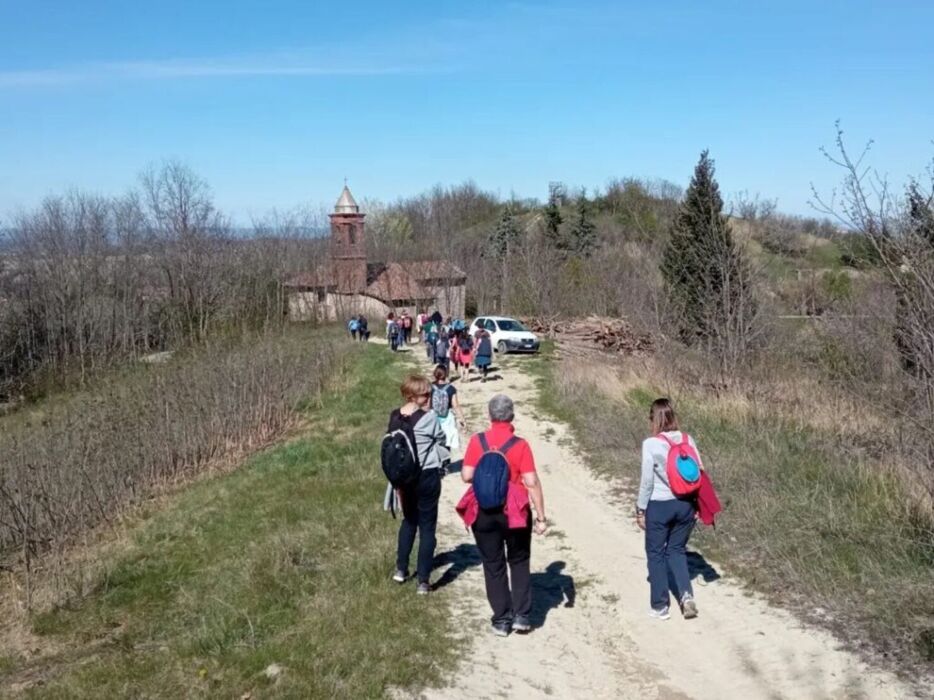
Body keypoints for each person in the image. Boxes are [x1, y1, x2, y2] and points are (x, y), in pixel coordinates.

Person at [458, 395, 547, 636]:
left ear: (489, 416)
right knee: (518, 561)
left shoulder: (478, 441)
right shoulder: (520, 445)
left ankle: (501, 618)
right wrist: (540, 516)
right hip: (515, 512)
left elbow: (466, 475)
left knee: (493, 564)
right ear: (512, 416)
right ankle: (521, 616)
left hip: (484, 511)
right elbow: (531, 481)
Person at [636, 398, 702, 621]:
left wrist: (640, 509)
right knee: (677, 550)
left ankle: (660, 605)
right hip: (685, 505)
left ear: (653, 419)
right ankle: (686, 595)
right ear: (673, 417)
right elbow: (699, 472)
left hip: (659, 505)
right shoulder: (687, 439)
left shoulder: (651, 444)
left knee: (655, 553)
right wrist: (697, 505)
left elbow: (647, 481)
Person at [390, 375, 449, 594]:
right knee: (427, 527)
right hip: (427, 476)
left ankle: (400, 569)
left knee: (408, 522)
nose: (429, 397)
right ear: (412, 395)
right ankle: (423, 580)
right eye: (426, 394)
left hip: (404, 479)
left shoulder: (394, 417)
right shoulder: (429, 418)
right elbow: (441, 439)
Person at [430, 365, 466, 452]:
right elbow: (455, 406)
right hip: (447, 418)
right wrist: (462, 419)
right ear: (446, 375)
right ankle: (446, 459)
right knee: (447, 440)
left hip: (433, 417)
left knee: (434, 439)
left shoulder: (430, 387)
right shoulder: (451, 389)